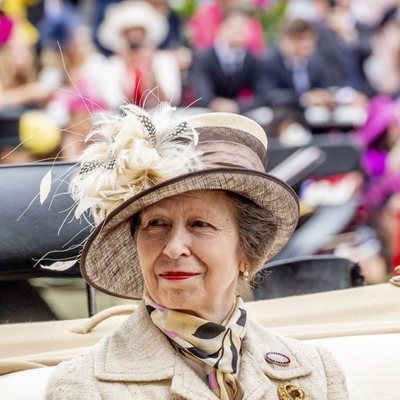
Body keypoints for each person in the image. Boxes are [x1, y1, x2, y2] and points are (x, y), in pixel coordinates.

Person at [44, 103, 349, 399]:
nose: (174, 248)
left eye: (200, 224)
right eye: (156, 224)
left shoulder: (315, 372)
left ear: (247, 250)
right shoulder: (84, 386)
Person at [189, 7, 269, 114]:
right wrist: (216, 104)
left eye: (245, 26)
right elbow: (202, 92)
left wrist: (237, 106)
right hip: (209, 113)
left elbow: (263, 95)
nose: (240, 30)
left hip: (240, 114)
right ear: (222, 27)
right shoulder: (203, 58)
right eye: (235, 25)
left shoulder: (252, 60)